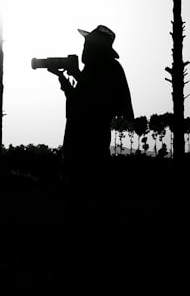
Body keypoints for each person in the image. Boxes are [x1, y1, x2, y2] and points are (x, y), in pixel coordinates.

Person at [49, 25, 134, 181]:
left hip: (92, 142)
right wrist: (61, 77)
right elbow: (77, 99)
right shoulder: (90, 69)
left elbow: (100, 96)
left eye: (87, 45)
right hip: (76, 140)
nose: (84, 49)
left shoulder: (110, 67)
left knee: (92, 184)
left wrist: (76, 74)